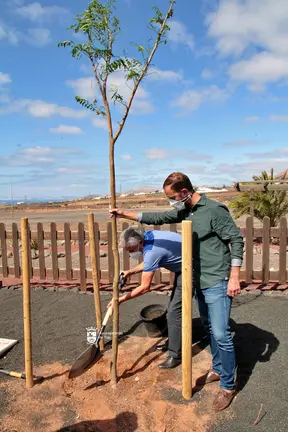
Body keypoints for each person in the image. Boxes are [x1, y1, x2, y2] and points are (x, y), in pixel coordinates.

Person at [110, 172, 244, 412]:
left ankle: (227, 385)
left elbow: (236, 239)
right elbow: (158, 217)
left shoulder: (214, 210)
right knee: (210, 327)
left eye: (172, 197)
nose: (171, 202)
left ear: (184, 193)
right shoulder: (186, 210)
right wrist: (123, 213)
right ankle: (217, 367)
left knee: (222, 334)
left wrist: (234, 276)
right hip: (198, 277)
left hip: (217, 278)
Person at [107, 226, 184, 369]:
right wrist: (129, 272)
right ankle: (174, 342)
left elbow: (144, 287)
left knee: (174, 313)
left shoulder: (152, 251)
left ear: (140, 243)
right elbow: (149, 262)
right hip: (184, 264)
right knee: (175, 310)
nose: (131, 254)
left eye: (131, 250)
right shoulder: (149, 236)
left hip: (192, 268)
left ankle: (175, 355)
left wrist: (120, 300)